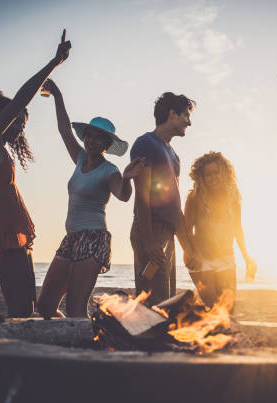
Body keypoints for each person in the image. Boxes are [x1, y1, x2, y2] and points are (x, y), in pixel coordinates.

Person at [0, 30, 71, 317]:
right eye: (18, 122)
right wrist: (54, 62)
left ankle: (17, 338)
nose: (21, 128)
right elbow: (21, 100)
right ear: (1, 118)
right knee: (22, 309)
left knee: (26, 308)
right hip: (0, 233)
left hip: (12, 231)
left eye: (23, 125)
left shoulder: (0, 148)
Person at [37, 79, 145, 318]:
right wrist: (57, 95)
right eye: (89, 136)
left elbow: (123, 196)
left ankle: (83, 350)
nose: (91, 141)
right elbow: (64, 129)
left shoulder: (110, 171)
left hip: (93, 237)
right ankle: (69, 343)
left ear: (106, 144)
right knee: (44, 305)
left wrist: (127, 178)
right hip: (71, 238)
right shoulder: (79, 159)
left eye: (98, 138)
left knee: (76, 308)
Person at [130, 92, 203, 305]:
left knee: (166, 301)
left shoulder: (174, 155)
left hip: (166, 234)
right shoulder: (145, 143)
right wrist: (149, 239)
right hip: (150, 229)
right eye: (186, 116)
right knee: (153, 303)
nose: (189, 123)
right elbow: (142, 195)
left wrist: (188, 247)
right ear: (172, 114)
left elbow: (174, 204)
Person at [184, 151, 257, 308]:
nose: (213, 177)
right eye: (207, 174)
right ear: (201, 177)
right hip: (200, 258)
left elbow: (237, 228)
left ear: (224, 172)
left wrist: (246, 257)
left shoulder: (233, 196)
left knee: (227, 308)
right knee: (213, 306)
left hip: (226, 257)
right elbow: (187, 229)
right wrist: (194, 253)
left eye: (216, 172)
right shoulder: (194, 197)